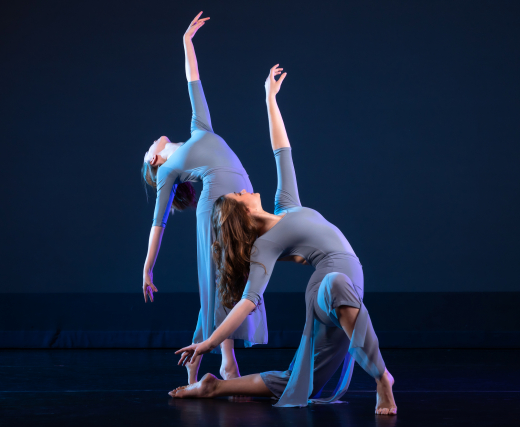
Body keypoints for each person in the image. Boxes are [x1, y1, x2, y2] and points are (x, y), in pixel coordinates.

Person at [170, 65, 397, 415]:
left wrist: (269, 99)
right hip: (329, 289)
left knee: (300, 379)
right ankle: (383, 379)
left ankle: (216, 387)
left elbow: (282, 150)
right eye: (239, 195)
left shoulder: (287, 205)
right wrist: (209, 342)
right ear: (241, 215)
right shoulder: (266, 245)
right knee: (336, 282)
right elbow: (247, 302)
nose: (244, 188)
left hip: (350, 287)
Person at [141, 12, 267, 384]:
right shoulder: (166, 170)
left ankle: (197, 357)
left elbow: (193, 80)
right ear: (154, 160)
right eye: (148, 148)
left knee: (228, 279)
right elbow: (158, 225)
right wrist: (148, 268)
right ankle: (226, 360)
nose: (153, 140)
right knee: (221, 279)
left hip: (243, 201)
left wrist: (187, 42)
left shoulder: (200, 127)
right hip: (216, 207)